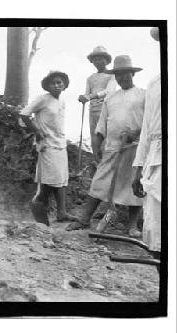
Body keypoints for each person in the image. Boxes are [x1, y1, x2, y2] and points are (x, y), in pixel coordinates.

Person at [67, 55, 145, 235]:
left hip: (135, 148)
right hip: (112, 147)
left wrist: (137, 132)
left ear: (132, 74)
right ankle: (84, 219)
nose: (122, 77)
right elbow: (101, 126)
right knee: (99, 182)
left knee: (133, 186)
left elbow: (151, 123)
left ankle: (132, 226)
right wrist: (97, 148)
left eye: (126, 74)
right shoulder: (111, 98)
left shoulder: (144, 94)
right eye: (118, 75)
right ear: (115, 76)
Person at [20, 71, 79, 226]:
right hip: (48, 145)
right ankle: (38, 209)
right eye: (53, 83)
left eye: (60, 82)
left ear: (65, 85)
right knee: (47, 181)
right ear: (47, 86)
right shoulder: (43, 99)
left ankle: (62, 212)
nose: (57, 85)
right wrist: (37, 131)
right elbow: (24, 114)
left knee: (61, 180)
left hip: (60, 144)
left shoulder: (61, 101)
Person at [132, 27, 161, 257]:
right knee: (155, 228)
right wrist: (137, 169)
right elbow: (146, 131)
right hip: (156, 158)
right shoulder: (155, 83)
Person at [78, 46, 117, 173]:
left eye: (101, 59)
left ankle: (108, 168)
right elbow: (86, 94)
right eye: (96, 59)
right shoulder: (90, 78)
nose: (98, 62)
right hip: (93, 110)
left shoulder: (112, 75)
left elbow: (109, 91)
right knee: (95, 138)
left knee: (105, 138)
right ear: (92, 61)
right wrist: (83, 98)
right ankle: (98, 165)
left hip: (106, 109)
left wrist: (92, 96)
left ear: (106, 60)